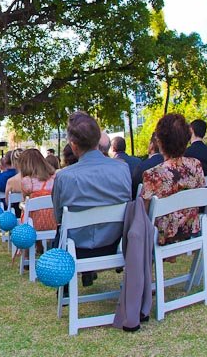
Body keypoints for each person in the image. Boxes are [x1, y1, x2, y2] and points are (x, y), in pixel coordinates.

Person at [52, 111, 131, 286]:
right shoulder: (122, 169)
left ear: (73, 146)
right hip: (115, 243)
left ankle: (65, 289)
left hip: (76, 248)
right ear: (98, 140)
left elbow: (58, 218)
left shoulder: (64, 177)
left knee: (60, 232)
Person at [140, 113, 206, 245]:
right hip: (190, 228)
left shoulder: (153, 174)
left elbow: (144, 215)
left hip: (164, 235)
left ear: (159, 141)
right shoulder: (196, 165)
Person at [16, 148, 57, 231]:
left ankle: (38, 244)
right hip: (55, 222)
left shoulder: (27, 181)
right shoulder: (55, 178)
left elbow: (25, 201)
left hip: (34, 225)